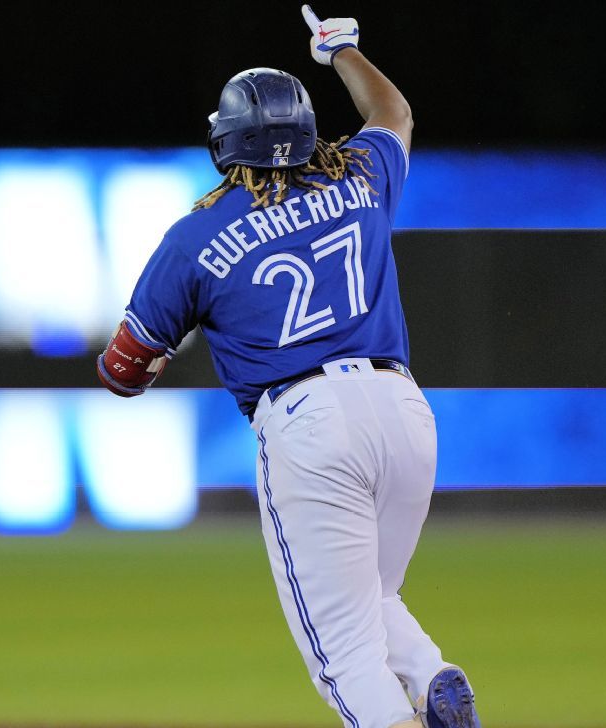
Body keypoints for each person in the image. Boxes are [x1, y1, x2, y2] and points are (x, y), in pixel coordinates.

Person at [95, 6, 481, 728]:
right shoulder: (361, 177)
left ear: (224, 141)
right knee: (372, 598)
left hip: (309, 423)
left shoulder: (197, 235)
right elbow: (392, 111)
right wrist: (342, 52)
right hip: (403, 409)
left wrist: (151, 350)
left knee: (343, 656)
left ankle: (418, 694)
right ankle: (430, 678)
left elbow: (124, 367)